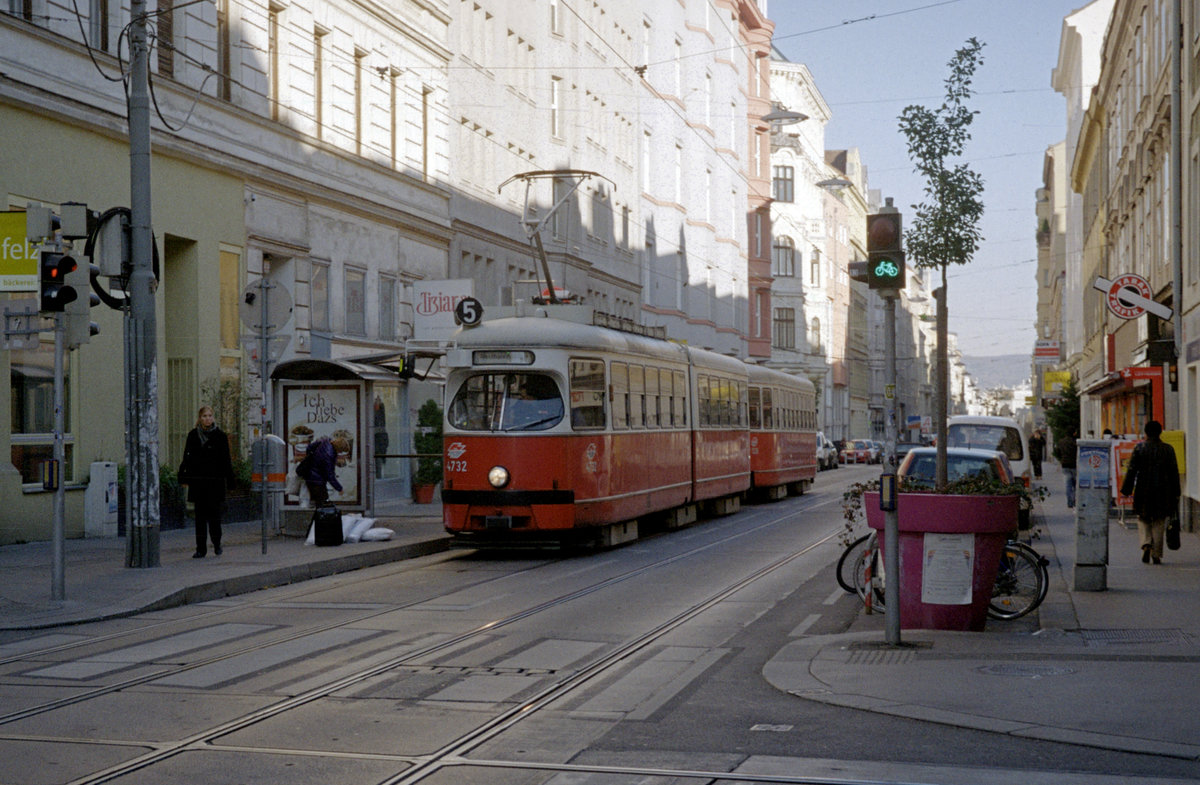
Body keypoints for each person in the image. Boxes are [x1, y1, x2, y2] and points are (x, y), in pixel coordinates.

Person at [178, 405, 236, 559]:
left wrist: (230, 481)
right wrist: (183, 477)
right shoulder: (193, 435)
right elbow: (187, 457)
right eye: (204, 416)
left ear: (213, 418)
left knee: (215, 517)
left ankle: (217, 544)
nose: (207, 419)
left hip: (214, 482)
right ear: (200, 418)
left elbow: (226, 460)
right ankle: (200, 549)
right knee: (200, 518)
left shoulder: (220, 436)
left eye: (210, 416)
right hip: (198, 482)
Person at [1120, 420, 1180, 565]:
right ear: (1160, 432)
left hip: (1144, 489)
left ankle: (1146, 543)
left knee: (1143, 518)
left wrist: (1126, 489)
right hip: (1163, 490)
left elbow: (1132, 470)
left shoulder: (1140, 448)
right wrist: (1176, 491)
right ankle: (1156, 553)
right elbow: (1174, 473)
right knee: (1159, 521)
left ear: (1146, 433)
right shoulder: (1168, 449)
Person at [298, 434, 343, 505]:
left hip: (310, 475)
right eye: (340, 451)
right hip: (316, 480)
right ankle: (319, 516)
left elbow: (309, 447)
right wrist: (339, 488)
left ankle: (318, 514)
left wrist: (313, 461)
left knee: (320, 503)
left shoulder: (325, 441)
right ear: (338, 448)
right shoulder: (328, 455)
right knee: (322, 503)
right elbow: (330, 475)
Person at [1055, 428, 1078, 508]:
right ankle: (1075, 501)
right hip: (1074, 465)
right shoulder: (1076, 442)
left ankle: (1069, 502)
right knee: (1075, 485)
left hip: (1065, 465)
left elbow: (1057, 452)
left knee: (1068, 485)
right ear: (1074, 433)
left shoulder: (1061, 442)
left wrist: (1061, 459)